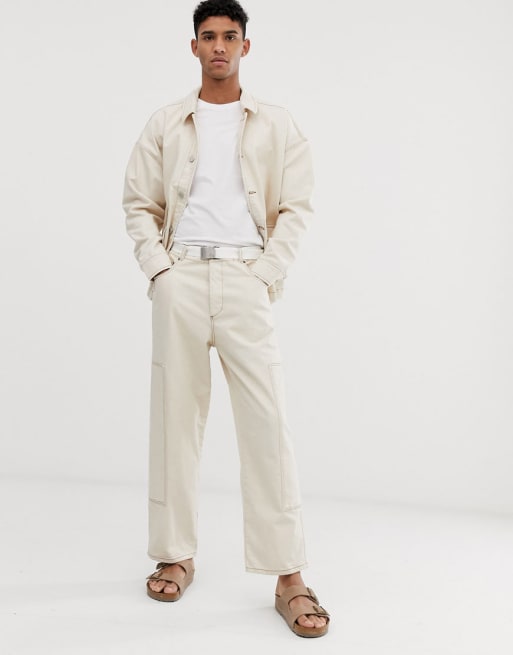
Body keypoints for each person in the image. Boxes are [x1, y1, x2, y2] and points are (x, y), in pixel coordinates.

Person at [122, 0, 330, 638]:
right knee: (174, 421)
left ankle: (289, 576)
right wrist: (159, 272)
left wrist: (266, 274)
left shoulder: (276, 124)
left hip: (246, 279)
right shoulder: (166, 122)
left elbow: (297, 207)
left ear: (245, 46)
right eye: (208, 36)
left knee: (268, 425)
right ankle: (175, 554)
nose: (219, 46)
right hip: (181, 277)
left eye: (229, 37)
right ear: (194, 46)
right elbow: (139, 202)